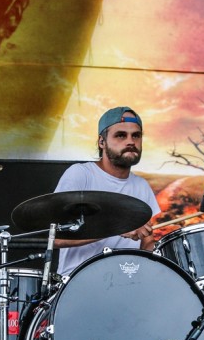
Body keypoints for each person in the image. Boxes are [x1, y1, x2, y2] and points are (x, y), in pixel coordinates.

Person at [55, 106, 160, 277]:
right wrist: (117, 227)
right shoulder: (80, 174)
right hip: (79, 280)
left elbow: (147, 242)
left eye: (136, 135)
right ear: (101, 142)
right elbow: (55, 238)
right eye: (121, 135)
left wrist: (162, 252)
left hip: (126, 281)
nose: (130, 141)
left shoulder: (141, 186)